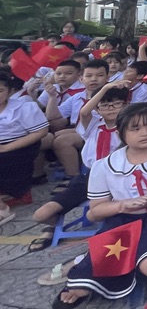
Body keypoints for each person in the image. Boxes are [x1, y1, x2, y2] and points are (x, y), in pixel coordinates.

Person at [55, 102, 147, 309]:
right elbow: (97, 210)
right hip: (122, 219)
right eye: (135, 128)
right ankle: (89, 272)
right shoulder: (105, 165)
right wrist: (123, 205)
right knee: (107, 256)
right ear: (120, 133)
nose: (145, 133)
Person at [29, 84, 128, 250]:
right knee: (41, 215)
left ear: (125, 105)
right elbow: (84, 112)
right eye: (104, 105)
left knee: (102, 212)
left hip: (120, 177)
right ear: (96, 108)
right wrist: (104, 88)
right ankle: (53, 225)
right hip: (90, 178)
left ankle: (113, 232)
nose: (110, 108)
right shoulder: (93, 124)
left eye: (116, 104)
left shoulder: (129, 126)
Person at [0, 70, 49, 226]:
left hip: (19, 146)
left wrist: (6, 147)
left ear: (9, 91)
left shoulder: (24, 107)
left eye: (0, 90)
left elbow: (41, 131)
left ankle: (3, 208)